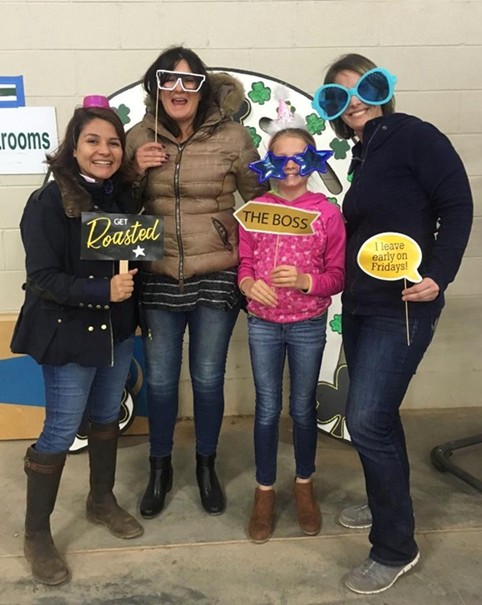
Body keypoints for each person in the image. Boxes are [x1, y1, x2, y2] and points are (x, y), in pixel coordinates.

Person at [312, 54, 473, 593]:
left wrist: (440, 274)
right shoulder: (365, 152)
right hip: (364, 305)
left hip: (402, 307)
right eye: (339, 95)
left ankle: (395, 546)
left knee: (367, 419)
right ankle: (388, 503)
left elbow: (458, 204)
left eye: (364, 87)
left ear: (383, 90)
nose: (354, 101)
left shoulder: (413, 136)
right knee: (378, 417)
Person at [126, 46, 265, 518]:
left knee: (207, 378)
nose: (179, 89)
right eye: (169, 79)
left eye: (190, 80)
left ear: (203, 88)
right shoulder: (138, 135)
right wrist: (134, 169)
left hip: (217, 272)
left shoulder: (233, 136)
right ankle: (160, 468)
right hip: (158, 272)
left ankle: (207, 466)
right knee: (161, 380)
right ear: (156, 85)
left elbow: (261, 200)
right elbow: (117, 204)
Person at [10, 96, 144, 586]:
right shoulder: (47, 202)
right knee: (62, 431)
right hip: (69, 335)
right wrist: (100, 291)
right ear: (73, 146)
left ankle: (100, 500)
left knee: (108, 416)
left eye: (113, 142)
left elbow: (135, 256)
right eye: (93, 140)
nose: (104, 150)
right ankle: (36, 534)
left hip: (117, 334)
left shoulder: (122, 198)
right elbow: (42, 278)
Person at [237, 127, 346, 543]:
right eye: (280, 158)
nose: (289, 167)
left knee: (302, 408)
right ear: (269, 164)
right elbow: (244, 263)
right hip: (263, 323)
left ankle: (304, 484)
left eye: (298, 157)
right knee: (267, 408)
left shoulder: (327, 213)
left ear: (312, 161)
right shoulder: (254, 211)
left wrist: (305, 281)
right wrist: (248, 284)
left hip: (308, 323)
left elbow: (337, 275)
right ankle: (264, 490)